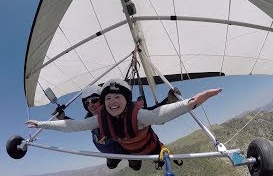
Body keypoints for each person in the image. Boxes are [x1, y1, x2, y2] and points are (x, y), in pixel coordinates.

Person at [26, 79, 222, 171]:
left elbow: (157, 115)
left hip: (128, 148)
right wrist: (44, 123)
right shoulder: (95, 118)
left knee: (136, 165)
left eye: (95, 101)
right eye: (87, 103)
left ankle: (146, 158)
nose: (91, 105)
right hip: (112, 151)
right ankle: (121, 159)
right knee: (111, 164)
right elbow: (75, 125)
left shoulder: (133, 114)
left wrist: (190, 101)